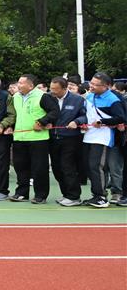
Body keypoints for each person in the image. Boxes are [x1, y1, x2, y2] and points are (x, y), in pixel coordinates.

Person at [42, 76, 87, 207]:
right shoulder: (48, 98)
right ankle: (66, 194)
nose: (52, 91)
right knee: (57, 168)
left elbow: (85, 115)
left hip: (70, 138)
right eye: (51, 88)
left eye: (55, 89)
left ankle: (74, 196)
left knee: (68, 167)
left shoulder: (77, 99)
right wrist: (46, 122)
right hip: (53, 138)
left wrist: (77, 121)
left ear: (65, 88)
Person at [82, 73, 125, 208]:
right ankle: (96, 195)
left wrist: (102, 121)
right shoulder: (90, 96)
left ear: (106, 86)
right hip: (88, 135)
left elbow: (121, 118)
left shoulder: (113, 99)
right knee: (89, 166)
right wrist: (82, 123)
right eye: (91, 83)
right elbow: (86, 114)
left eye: (96, 84)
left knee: (96, 166)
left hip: (103, 137)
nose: (92, 86)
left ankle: (101, 196)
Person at [8, 74, 53, 204]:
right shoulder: (15, 97)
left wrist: (42, 122)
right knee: (20, 167)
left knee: (39, 168)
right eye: (18, 82)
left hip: (38, 138)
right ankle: (22, 193)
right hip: (19, 137)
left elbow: (54, 111)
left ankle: (40, 195)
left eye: (21, 83)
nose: (18, 85)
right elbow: (12, 115)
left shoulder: (43, 96)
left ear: (30, 85)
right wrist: (10, 126)